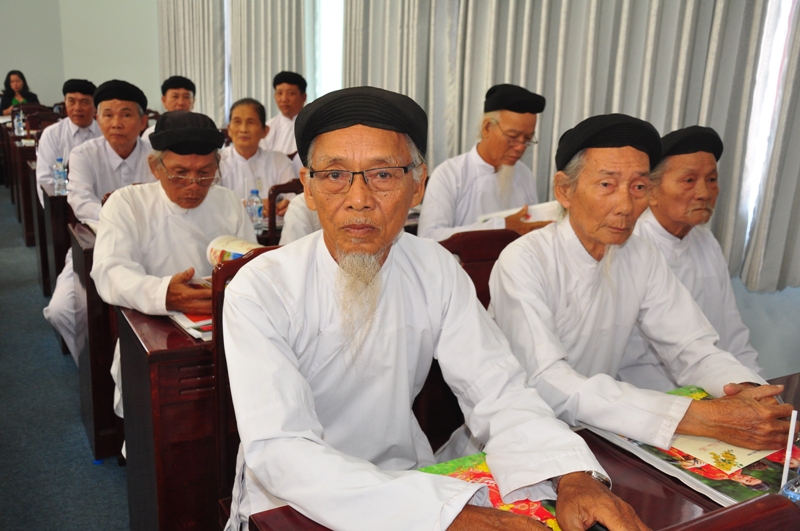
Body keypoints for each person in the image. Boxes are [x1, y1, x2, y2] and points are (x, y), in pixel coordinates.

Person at [223, 87, 648, 531]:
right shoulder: (261, 288)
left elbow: (498, 390)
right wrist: (450, 515)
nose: (358, 198)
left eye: (383, 174)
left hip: (406, 480)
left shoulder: (436, 268)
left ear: (418, 185)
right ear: (308, 188)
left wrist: (572, 476)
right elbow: (281, 449)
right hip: (289, 503)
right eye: (334, 175)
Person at [489, 113, 796, 452]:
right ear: (565, 190)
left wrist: (752, 395)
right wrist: (698, 417)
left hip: (596, 432)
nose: (625, 206)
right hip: (521, 439)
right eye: (607, 185)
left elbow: (691, 348)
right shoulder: (525, 260)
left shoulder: (640, 254)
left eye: (638, 187)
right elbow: (547, 381)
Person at [91, 110, 256, 422]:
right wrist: (165, 293)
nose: (193, 186)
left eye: (205, 174)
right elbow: (109, 271)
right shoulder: (127, 204)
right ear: (155, 167)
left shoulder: (228, 202)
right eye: (179, 174)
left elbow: (251, 266)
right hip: (154, 335)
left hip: (223, 327)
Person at [618, 126, 763, 391]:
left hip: (715, 383)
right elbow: (630, 360)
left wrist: (758, 388)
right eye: (689, 180)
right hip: (652, 395)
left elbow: (732, 334)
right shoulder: (629, 247)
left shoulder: (706, 242)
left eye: (711, 179)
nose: (704, 193)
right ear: (651, 191)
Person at [43, 80, 153, 364]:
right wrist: (120, 226)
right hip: (97, 244)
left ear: (143, 121)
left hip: (151, 244)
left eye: (126, 114)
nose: (116, 123)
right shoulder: (83, 154)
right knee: (61, 311)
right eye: (108, 114)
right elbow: (80, 201)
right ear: (97, 118)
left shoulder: (156, 155)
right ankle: (91, 369)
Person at [419, 84, 549, 241]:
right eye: (512, 137)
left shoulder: (525, 174)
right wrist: (500, 227)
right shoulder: (449, 174)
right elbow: (428, 236)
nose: (521, 147)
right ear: (487, 128)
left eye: (527, 139)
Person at [219, 98, 296, 219]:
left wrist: (288, 205)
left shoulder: (279, 160)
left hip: (274, 229)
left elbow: (293, 197)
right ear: (229, 129)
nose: (243, 129)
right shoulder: (218, 161)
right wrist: (251, 205)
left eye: (251, 122)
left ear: (265, 131)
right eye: (237, 122)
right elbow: (214, 202)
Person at [35, 79, 101, 206]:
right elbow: (45, 180)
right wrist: (54, 211)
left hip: (101, 202)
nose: (77, 108)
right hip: (64, 204)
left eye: (84, 102)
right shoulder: (52, 134)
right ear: (65, 102)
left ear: (95, 106)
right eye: (71, 101)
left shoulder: (105, 132)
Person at [259, 71, 307, 174]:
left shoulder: (311, 124)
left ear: (303, 97)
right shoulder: (268, 127)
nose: (284, 99)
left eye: (291, 93)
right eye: (279, 93)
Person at [141, 75, 196, 140]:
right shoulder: (152, 133)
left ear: (193, 102)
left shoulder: (202, 131)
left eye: (186, 97)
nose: (181, 103)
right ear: (164, 101)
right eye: (175, 96)